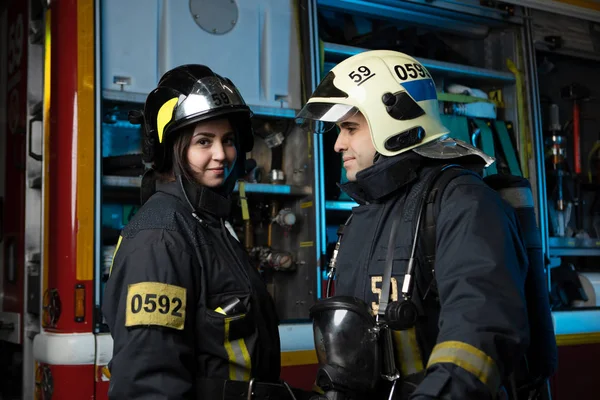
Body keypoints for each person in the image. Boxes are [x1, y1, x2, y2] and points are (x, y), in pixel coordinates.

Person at [297, 50, 540, 400]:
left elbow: (479, 334)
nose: (338, 144)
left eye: (350, 128)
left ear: (393, 120)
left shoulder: (465, 203)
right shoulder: (364, 215)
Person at [102, 65, 303, 399]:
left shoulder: (206, 223)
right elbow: (148, 383)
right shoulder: (162, 237)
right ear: (171, 150)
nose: (221, 155)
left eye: (228, 141)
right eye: (203, 141)